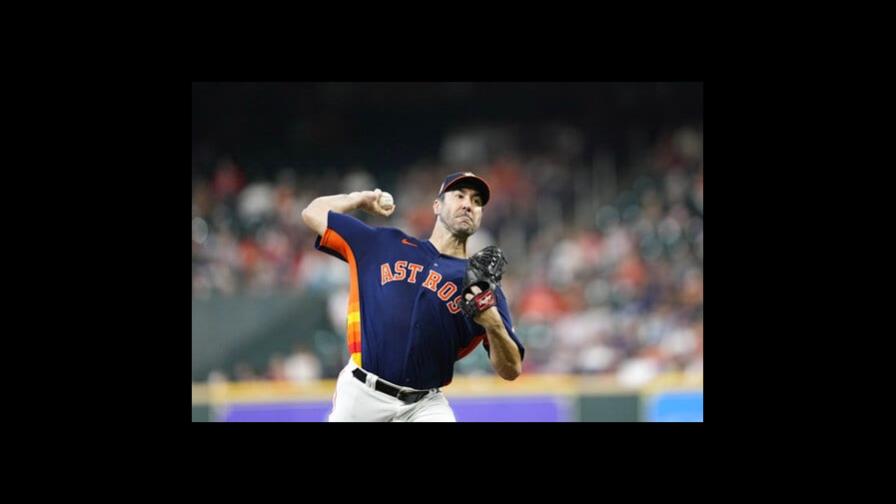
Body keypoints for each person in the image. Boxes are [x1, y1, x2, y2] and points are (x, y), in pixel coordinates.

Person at [301, 172, 524, 421]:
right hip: (362, 394)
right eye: (459, 195)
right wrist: (359, 199)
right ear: (437, 205)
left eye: (477, 201)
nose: (467, 204)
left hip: (424, 405)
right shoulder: (385, 244)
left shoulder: (481, 286)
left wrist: (493, 323)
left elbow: (511, 369)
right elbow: (312, 212)